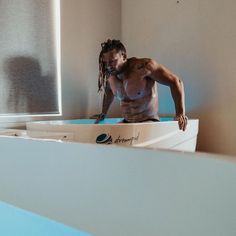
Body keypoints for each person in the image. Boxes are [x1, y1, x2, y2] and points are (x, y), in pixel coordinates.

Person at [94, 39, 188, 131]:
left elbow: (176, 81)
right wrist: (103, 113)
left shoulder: (144, 67)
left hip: (149, 122)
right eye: (105, 63)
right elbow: (109, 91)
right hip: (127, 122)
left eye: (112, 61)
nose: (108, 66)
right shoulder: (110, 75)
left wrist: (180, 114)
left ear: (124, 56)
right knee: (107, 137)